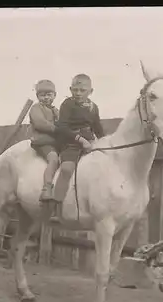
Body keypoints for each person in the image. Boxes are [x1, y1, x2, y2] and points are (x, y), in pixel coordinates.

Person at [48, 73, 105, 222]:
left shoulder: (93, 108)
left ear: (90, 91)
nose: (78, 93)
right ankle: (56, 208)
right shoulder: (68, 104)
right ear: (70, 89)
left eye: (82, 90)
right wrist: (80, 140)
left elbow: (98, 128)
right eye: (75, 90)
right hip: (70, 143)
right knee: (67, 169)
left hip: (89, 142)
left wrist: (103, 142)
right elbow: (62, 127)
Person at [28, 79, 60, 202]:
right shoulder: (36, 108)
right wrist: (58, 129)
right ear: (37, 96)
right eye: (42, 95)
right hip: (42, 141)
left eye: (49, 94)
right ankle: (46, 187)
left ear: (54, 95)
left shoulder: (56, 110)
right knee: (53, 158)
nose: (46, 98)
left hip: (55, 141)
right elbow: (40, 123)